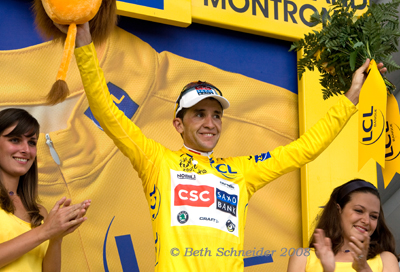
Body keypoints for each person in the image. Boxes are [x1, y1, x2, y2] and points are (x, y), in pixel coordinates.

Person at [58, 21, 386, 271]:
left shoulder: (241, 172)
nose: (210, 123)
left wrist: (351, 98)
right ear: (178, 124)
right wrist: (85, 47)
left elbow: (304, 149)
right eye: (199, 114)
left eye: (216, 115)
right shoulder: (157, 160)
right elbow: (106, 112)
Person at [0, 108, 90, 271]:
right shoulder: (44, 227)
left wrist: (56, 237)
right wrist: (45, 231)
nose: (26, 150)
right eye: (14, 140)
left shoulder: (39, 212)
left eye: (32, 142)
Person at [287, 179, 399, 272]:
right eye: (359, 210)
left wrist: (364, 269)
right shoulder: (303, 257)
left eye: (373, 216)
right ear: (338, 210)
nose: (366, 221)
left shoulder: (386, 259)